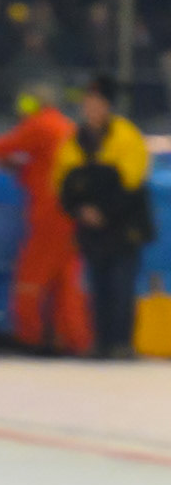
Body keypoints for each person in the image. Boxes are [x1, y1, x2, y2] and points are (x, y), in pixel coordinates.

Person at [0, 86, 90, 355]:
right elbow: (44, 166)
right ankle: (73, 339)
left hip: (48, 216)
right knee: (65, 280)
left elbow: (1, 147)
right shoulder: (65, 127)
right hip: (68, 215)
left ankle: (29, 335)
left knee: (30, 276)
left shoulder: (40, 124)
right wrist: (22, 169)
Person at [58, 74, 154, 359]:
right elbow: (63, 186)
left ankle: (121, 343)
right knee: (98, 287)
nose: (90, 108)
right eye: (87, 102)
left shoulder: (126, 136)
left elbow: (130, 183)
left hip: (124, 228)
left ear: (107, 105)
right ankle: (101, 342)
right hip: (92, 230)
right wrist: (81, 211)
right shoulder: (74, 142)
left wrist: (102, 211)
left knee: (122, 286)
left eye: (96, 102)